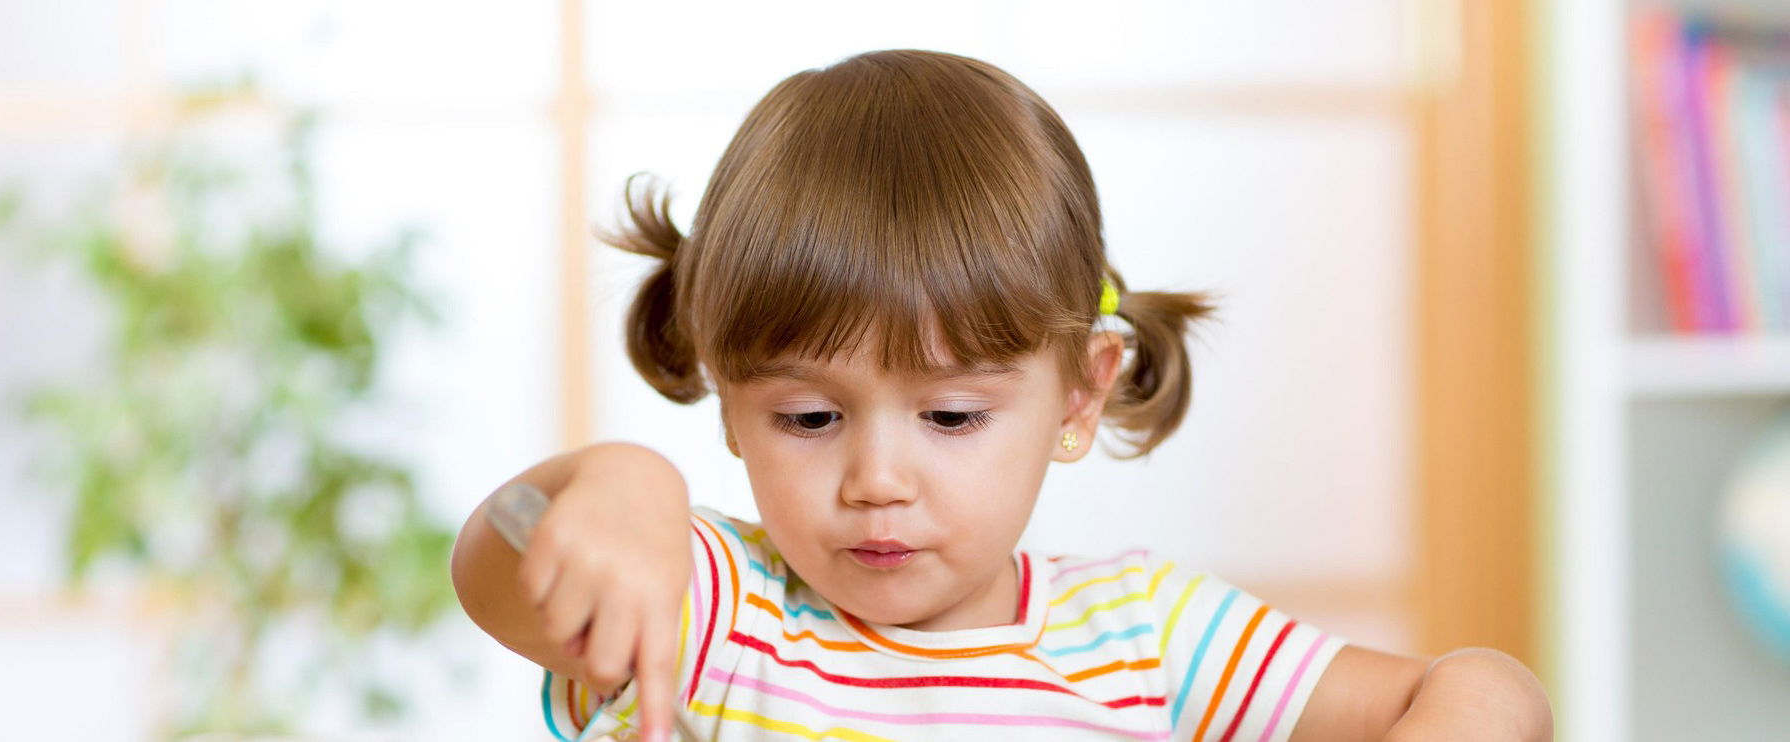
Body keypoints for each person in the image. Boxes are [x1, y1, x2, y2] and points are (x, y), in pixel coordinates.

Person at [450, 49, 1552, 742]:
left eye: (952, 417)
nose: (878, 480)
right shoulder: (708, 608)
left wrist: (1486, 708)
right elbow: (500, 566)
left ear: (1080, 396)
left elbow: (1471, 689)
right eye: (810, 418)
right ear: (730, 401)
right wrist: (618, 488)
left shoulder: (1148, 637)